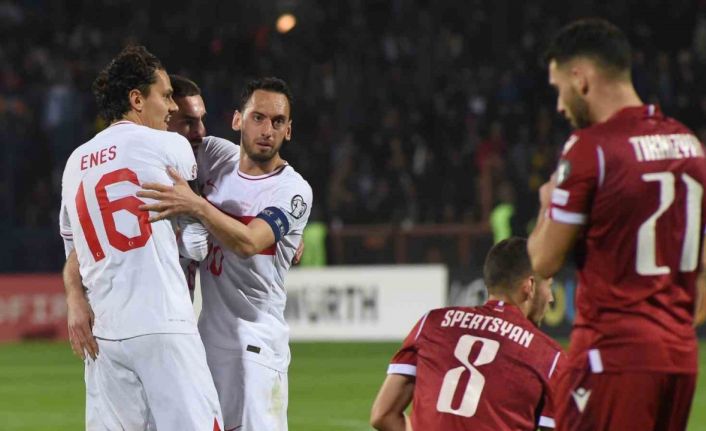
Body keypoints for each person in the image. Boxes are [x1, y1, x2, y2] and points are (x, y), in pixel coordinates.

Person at [528, 18, 706, 431]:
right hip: (679, 358)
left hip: (612, 358)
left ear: (581, 78)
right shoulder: (690, 146)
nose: (559, 106)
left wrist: (547, 203)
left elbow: (542, 262)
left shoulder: (591, 149)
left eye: (558, 88)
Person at [59, 45, 222, 430]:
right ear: (136, 99)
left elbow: (75, 250)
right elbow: (193, 227)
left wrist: (75, 298)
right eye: (165, 96)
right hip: (163, 321)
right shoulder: (169, 145)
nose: (172, 108)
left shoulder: (74, 163)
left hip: (105, 334)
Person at [138, 77, 313, 431]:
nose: (267, 130)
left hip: (255, 348)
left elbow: (248, 242)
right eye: (258, 117)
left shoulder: (292, 190)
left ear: (289, 130)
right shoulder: (215, 156)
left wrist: (196, 206)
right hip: (205, 344)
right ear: (237, 120)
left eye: (278, 121)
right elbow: (170, 131)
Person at [370, 237, 563, 431]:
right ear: (529, 286)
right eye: (549, 285)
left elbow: (382, 415)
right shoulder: (549, 357)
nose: (550, 298)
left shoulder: (432, 323)